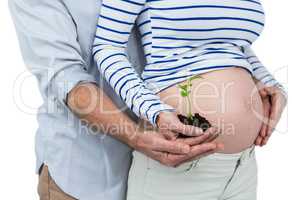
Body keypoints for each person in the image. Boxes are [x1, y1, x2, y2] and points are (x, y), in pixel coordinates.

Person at [9, 0, 223, 199]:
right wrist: (137, 137)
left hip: (169, 175)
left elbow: (202, 24)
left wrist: (252, 76)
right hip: (87, 177)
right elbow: (68, 82)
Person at [93, 0, 287, 199]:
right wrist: (155, 112)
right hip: (178, 164)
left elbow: (235, 44)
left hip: (243, 166)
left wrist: (272, 85)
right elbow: (107, 47)